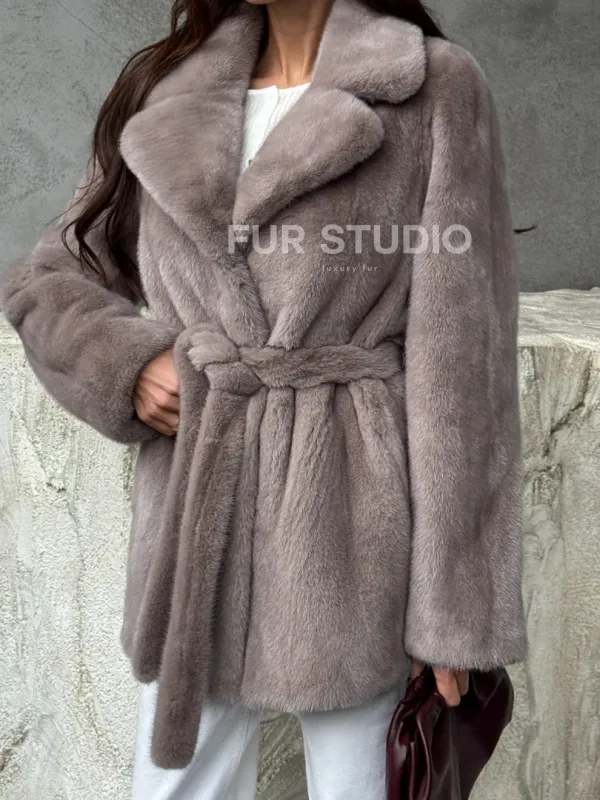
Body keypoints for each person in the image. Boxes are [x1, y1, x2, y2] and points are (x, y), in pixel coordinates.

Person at [0, 0, 528, 797]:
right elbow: (49, 277)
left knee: (360, 787)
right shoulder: (170, 89)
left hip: (354, 526)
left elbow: (464, 366)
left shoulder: (431, 87)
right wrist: (128, 364)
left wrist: (453, 613)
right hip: (197, 524)